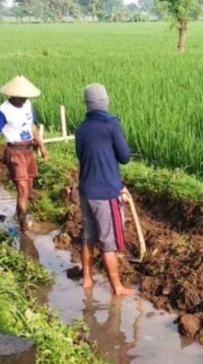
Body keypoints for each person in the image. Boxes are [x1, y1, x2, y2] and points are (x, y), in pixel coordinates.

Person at [75, 84, 136, 297]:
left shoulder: (81, 129)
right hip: (105, 193)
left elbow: (81, 156)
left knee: (88, 237)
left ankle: (87, 279)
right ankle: (117, 287)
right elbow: (125, 157)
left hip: (85, 190)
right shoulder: (111, 124)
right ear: (104, 101)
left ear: (88, 104)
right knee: (108, 242)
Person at [0, 76, 48, 232]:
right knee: (22, 189)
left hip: (28, 150)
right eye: (21, 96)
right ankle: (23, 228)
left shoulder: (27, 104)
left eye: (25, 96)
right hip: (14, 152)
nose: (24, 99)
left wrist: (41, 144)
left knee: (28, 187)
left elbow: (31, 126)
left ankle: (18, 214)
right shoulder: (4, 111)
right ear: (13, 95)